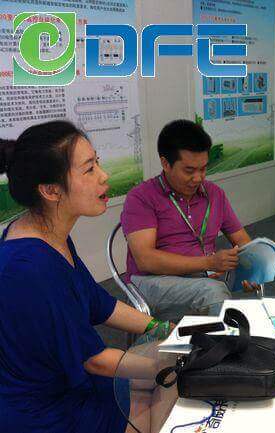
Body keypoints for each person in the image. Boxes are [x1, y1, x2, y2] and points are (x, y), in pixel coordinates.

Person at [0, 121, 173, 433]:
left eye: (98, 163)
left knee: (172, 384)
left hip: (76, 384)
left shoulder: (49, 234)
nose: (103, 176)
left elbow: (98, 303)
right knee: (175, 390)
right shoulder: (28, 267)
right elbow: (93, 360)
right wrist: (172, 365)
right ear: (50, 190)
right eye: (89, 169)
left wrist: (164, 329)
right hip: (48, 414)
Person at [121, 120, 255, 322]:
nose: (198, 178)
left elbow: (242, 240)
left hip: (202, 277)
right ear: (165, 164)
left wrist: (251, 269)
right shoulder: (141, 197)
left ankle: (212, 335)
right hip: (153, 282)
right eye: (189, 171)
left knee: (216, 291)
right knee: (213, 292)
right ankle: (218, 341)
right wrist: (208, 262)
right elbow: (145, 259)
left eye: (203, 169)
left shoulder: (214, 194)